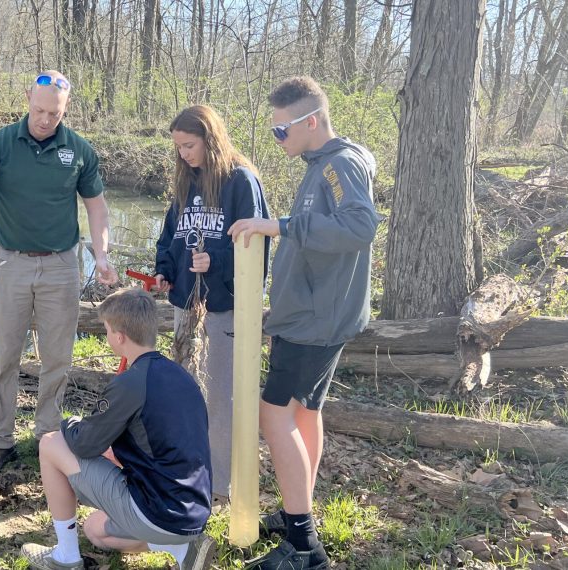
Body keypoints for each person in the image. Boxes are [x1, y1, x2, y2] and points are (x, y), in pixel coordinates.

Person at [228, 76, 379, 568]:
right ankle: (300, 514)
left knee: (273, 415)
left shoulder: (340, 164)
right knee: (304, 413)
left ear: (310, 120)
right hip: (315, 314)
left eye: (281, 130)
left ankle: (303, 546)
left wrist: (280, 226)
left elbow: (360, 226)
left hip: (314, 322)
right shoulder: (321, 164)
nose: (279, 139)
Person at [0, 70, 118, 474]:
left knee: (56, 357)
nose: (46, 119)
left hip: (62, 265)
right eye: (39, 109)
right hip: (12, 261)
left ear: (66, 109)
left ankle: (48, 433)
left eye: (55, 113)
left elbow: (96, 207)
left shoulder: (79, 150)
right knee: (4, 354)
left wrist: (101, 254)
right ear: (28, 97)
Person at [19, 288, 216, 570]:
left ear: (120, 337)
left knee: (51, 444)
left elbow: (86, 444)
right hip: (192, 512)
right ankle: (182, 547)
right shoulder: (181, 375)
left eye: (107, 330)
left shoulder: (131, 382)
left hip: (157, 510)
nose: (108, 336)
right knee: (96, 530)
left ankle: (65, 558)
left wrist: (70, 422)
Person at [153, 104, 270, 504]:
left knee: (221, 397)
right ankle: (188, 468)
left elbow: (256, 247)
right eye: (178, 147)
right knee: (187, 391)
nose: (183, 154)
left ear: (210, 137)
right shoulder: (187, 180)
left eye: (189, 145)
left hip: (225, 307)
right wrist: (165, 268)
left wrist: (217, 260)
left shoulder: (240, 181)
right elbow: (170, 234)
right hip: (187, 304)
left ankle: (220, 485)